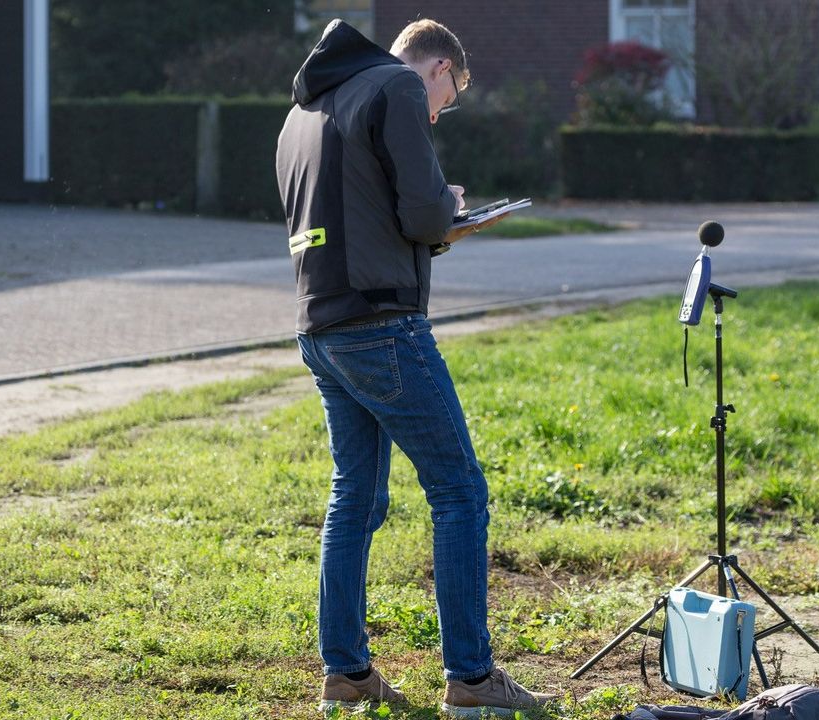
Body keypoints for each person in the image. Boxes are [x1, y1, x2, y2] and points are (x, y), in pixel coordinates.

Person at [275, 17, 555, 718]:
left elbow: (357, 211)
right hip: (382, 324)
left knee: (356, 500)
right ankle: (471, 677)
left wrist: (427, 220)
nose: (440, 111)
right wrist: (450, 214)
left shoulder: (305, 110)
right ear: (438, 69)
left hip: (321, 326)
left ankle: (345, 673)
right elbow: (425, 213)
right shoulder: (397, 86)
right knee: (459, 491)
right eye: (449, 96)